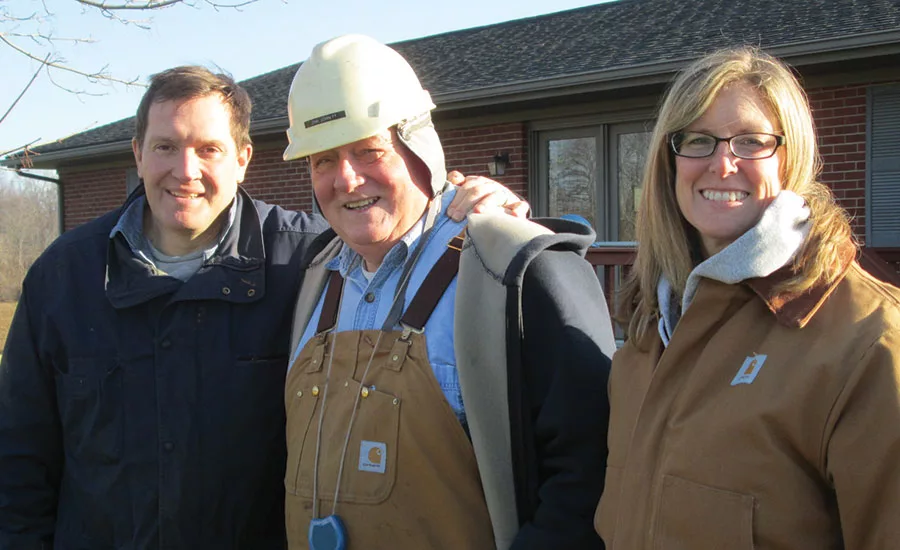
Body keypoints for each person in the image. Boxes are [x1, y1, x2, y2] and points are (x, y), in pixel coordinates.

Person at [0, 65, 524, 548]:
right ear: (137, 153)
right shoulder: (65, 277)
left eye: (209, 149)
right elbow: (19, 455)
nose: (185, 170)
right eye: (165, 147)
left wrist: (470, 204)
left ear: (244, 158)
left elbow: (396, 233)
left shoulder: (312, 263)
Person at [281, 35, 616, 550]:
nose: (345, 179)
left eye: (369, 150)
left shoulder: (512, 269)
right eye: (323, 160)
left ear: (420, 148)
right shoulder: (312, 279)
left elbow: (587, 474)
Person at [594, 46, 900, 549]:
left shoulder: (869, 344)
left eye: (752, 142)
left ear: (790, 156)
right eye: (697, 140)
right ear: (668, 162)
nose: (722, 163)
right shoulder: (647, 332)